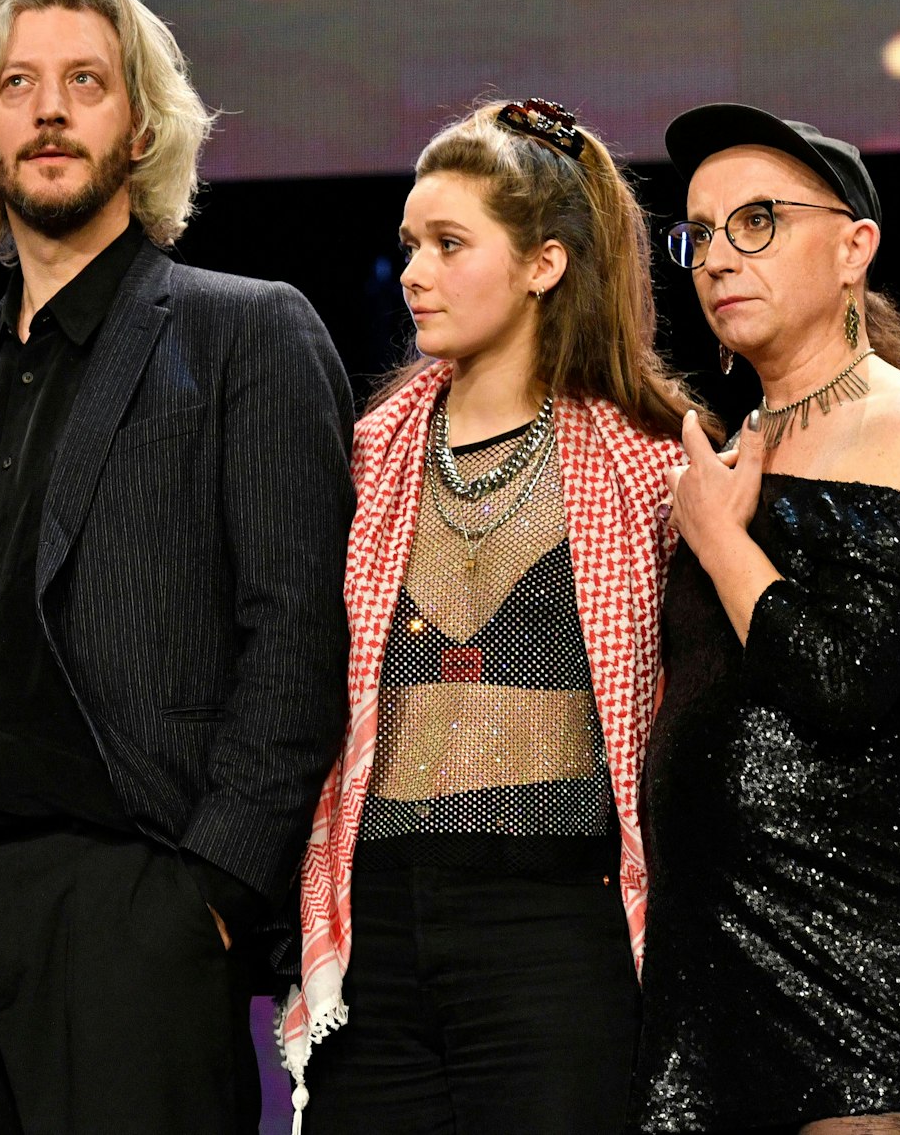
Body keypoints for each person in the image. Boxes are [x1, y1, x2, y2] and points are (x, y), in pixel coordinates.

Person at [0, 0, 354, 1135]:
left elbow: (299, 637)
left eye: (85, 82)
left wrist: (207, 891)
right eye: (16, 85)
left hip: (131, 908)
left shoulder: (244, 332)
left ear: (143, 129)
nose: (48, 108)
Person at [278, 98, 706, 1133]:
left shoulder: (648, 460)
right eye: (409, 245)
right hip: (374, 928)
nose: (413, 271)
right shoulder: (370, 452)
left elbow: (717, 700)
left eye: (447, 243)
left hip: (556, 926)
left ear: (543, 264)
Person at [633, 105, 900, 1133]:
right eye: (696, 233)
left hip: (853, 951)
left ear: (851, 247)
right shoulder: (726, 448)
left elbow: (839, 684)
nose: (714, 257)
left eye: (756, 221)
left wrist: (718, 537)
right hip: (702, 966)